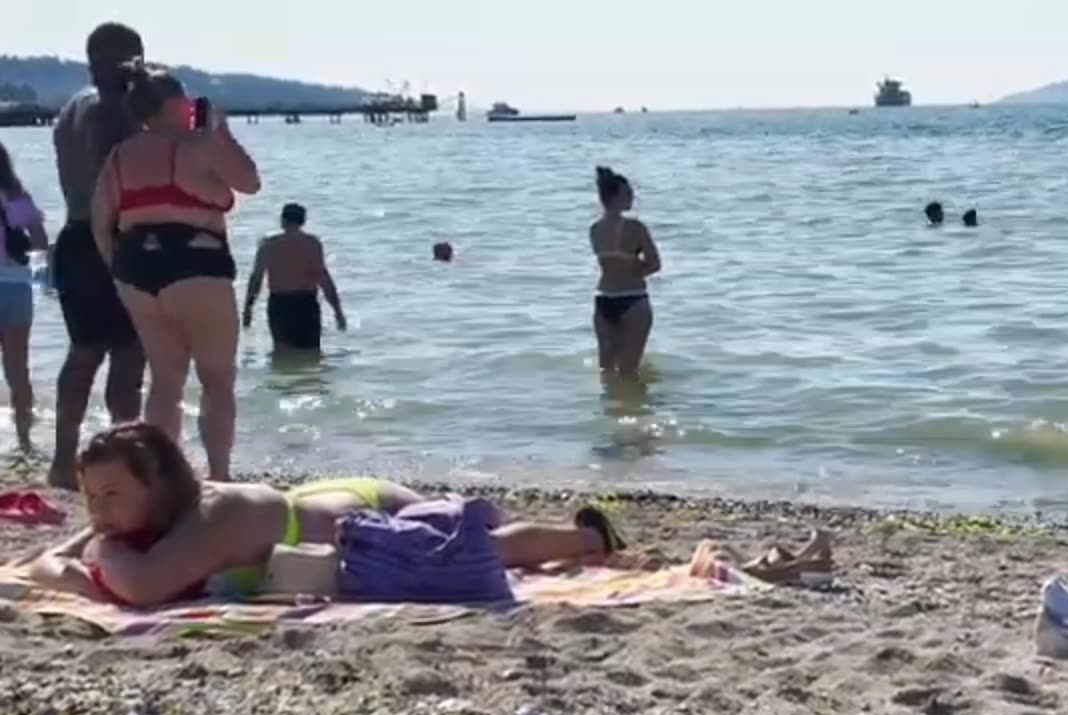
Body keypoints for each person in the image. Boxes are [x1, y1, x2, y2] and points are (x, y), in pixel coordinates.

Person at [28, 422, 626, 606]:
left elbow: (139, 590)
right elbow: (51, 559)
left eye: (111, 496)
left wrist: (86, 558)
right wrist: (76, 548)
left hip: (362, 520)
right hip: (321, 504)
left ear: (156, 486)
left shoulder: (210, 518)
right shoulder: (149, 516)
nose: (97, 512)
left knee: (482, 547)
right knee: (481, 544)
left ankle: (586, 535)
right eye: (91, 496)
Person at [92, 64, 261, 481]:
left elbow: (101, 221)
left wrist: (118, 269)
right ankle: (219, 477)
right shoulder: (197, 145)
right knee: (217, 380)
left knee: (165, 381)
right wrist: (220, 131)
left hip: (135, 271)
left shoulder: (119, 156)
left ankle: (163, 478)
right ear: (173, 105)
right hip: (196, 265)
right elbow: (251, 182)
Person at [48, 22, 149, 488]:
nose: (139, 69)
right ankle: (120, 459)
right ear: (114, 60)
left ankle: (64, 459)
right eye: (134, 59)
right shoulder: (107, 108)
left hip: (74, 235)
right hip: (106, 239)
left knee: (85, 350)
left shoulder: (73, 106)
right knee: (128, 353)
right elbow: (116, 173)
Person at [0, 143, 51, 452]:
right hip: (17, 289)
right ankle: (24, 441)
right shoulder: (15, 197)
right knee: (18, 370)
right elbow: (40, 240)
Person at [243, 203, 346, 353]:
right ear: (303, 221)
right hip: (306, 305)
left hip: (280, 306)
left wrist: (248, 309)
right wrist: (338, 311)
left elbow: (256, 280)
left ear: (282, 221)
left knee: (282, 356)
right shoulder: (312, 243)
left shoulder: (267, 246)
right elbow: (324, 279)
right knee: (312, 355)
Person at [589, 166, 661, 379]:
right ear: (615, 197)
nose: (633, 197)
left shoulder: (594, 230)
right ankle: (632, 408)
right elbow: (655, 264)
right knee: (629, 372)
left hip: (603, 299)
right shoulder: (636, 227)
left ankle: (609, 409)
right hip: (633, 299)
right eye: (628, 194)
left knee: (606, 370)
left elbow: (609, 263)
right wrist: (636, 269)